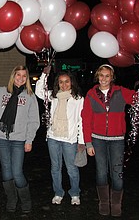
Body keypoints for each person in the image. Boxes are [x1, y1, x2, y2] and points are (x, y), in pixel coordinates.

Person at [81, 63, 139, 217]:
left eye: (107, 75)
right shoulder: (91, 95)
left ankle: (116, 203)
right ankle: (104, 203)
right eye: (101, 75)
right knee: (101, 172)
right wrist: (88, 143)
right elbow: (86, 120)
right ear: (97, 76)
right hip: (97, 139)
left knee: (117, 173)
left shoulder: (120, 92)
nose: (104, 78)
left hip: (117, 139)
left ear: (112, 77)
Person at [35, 65, 85, 206]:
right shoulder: (54, 96)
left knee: (72, 169)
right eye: (61, 82)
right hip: (53, 137)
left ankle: (75, 193)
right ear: (57, 83)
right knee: (55, 168)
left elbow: (82, 120)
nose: (64, 85)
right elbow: (39, 92)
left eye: (67, 81)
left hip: (70, 139)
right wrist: (44, 75)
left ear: (72, 82)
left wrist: (81, 141)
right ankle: (58, 192)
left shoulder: (78, 99)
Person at [0, 65, 40, 213]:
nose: (20, 78)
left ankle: (26, 201)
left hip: (19, 139)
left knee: (17, 172)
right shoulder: (0, 92)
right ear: (13, 76)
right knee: (6, 172)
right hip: (1, 137)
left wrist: (29, 140)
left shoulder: (30, 96)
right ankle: (11, 199)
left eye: (24, 76)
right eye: (17, 75)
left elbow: (34, 120)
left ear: (26, 79)